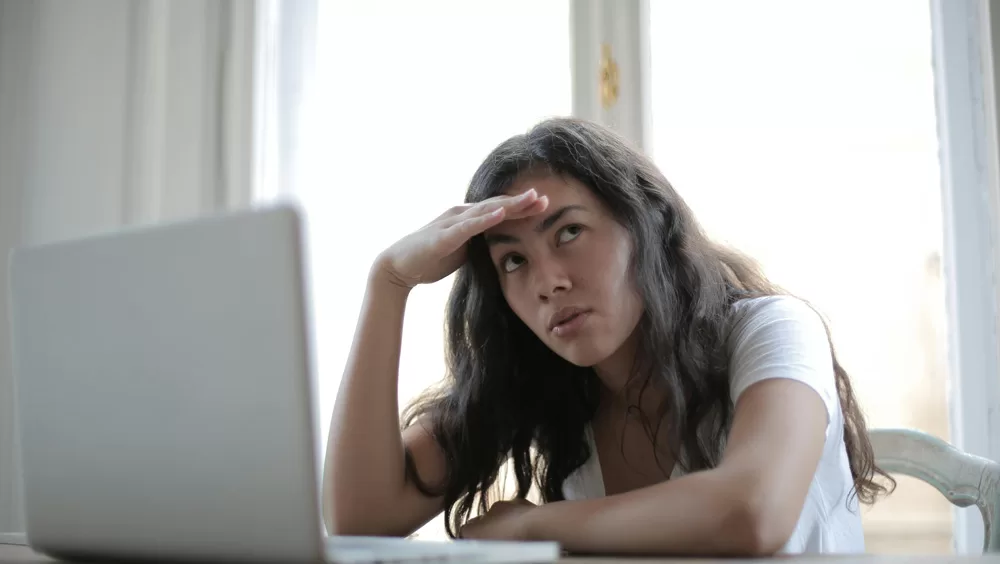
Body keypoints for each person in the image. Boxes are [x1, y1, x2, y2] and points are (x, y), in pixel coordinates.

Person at [322, 117, 893, 556]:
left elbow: (754, 510)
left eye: (569, 231)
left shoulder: (772, 330)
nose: (548, 281)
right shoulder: (541, 379)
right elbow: (360, 519)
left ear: (645, 224)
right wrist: (389, 282)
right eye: (514, 261)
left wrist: (530, 525)